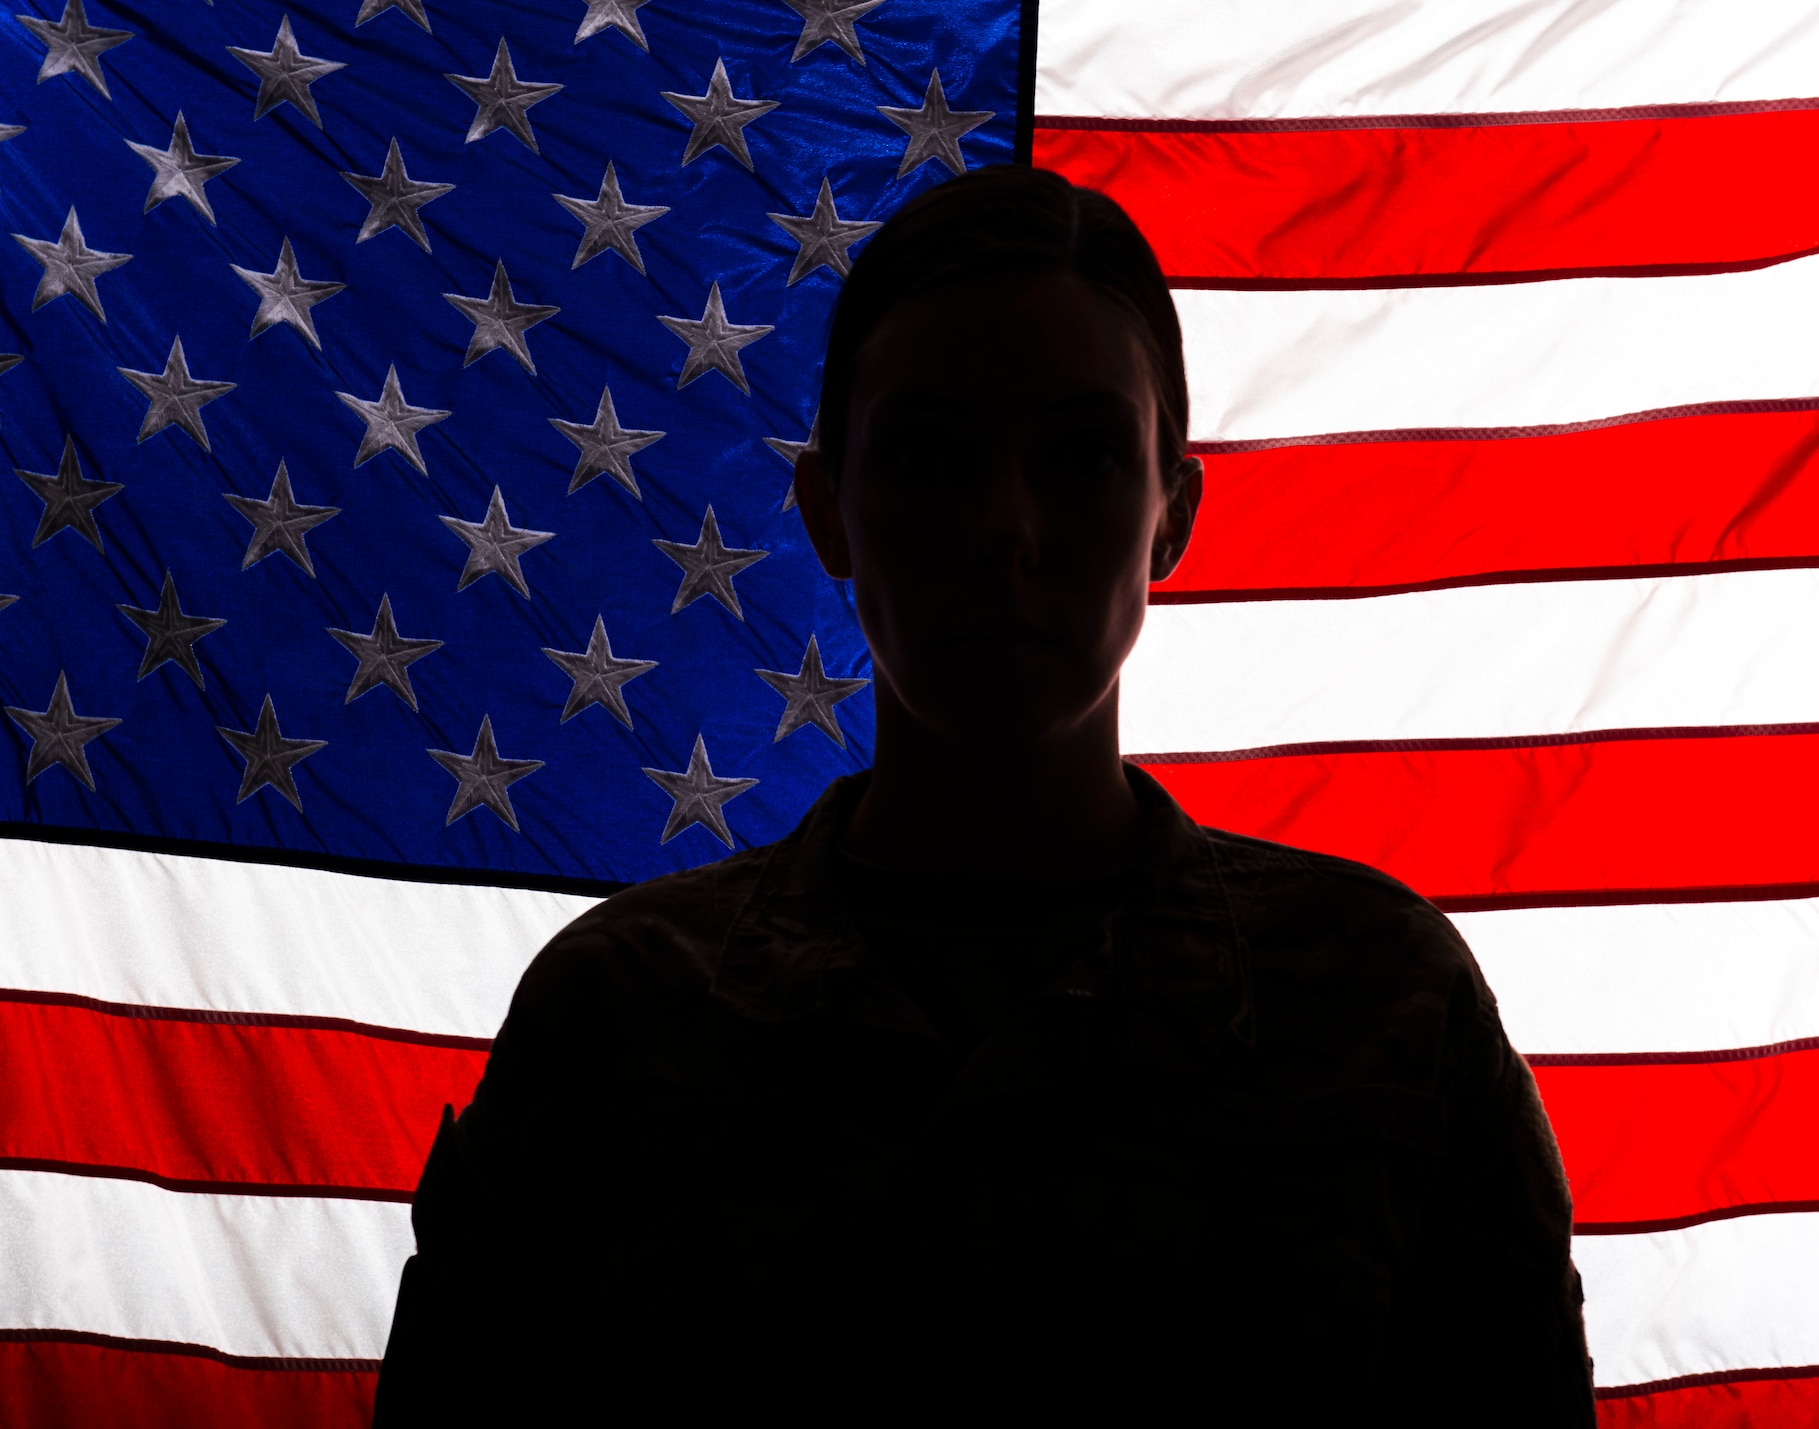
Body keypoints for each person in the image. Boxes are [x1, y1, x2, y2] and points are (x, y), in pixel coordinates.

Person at [372, 165, 1595, 1422]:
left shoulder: (1384, 1002)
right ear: (827, 512)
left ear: (1170, 517)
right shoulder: (615, 1019)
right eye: (926, 457)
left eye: (1078, 458)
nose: (1003, 526)